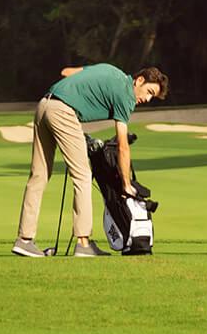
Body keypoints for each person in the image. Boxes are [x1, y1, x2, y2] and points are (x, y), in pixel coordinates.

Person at [13, 63, 169, 257]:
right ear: (139, 80)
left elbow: (66, 72)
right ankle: (83, 243)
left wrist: (80, 95)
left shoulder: (110, 70)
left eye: (152, 97)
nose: (147, 99)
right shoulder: (126, 95)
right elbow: (122, 146)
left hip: (45, 105)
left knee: (39, 175)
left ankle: (24, 240)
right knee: (83, 176)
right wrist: (126, 184)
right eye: (149, 92)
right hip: (63, 112)